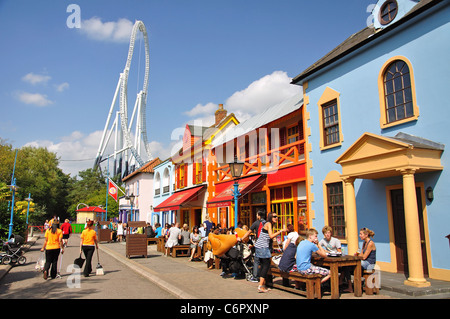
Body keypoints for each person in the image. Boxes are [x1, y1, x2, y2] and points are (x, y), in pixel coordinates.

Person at [254, 212, 287, 293]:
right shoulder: (268, 223)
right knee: (266, 265)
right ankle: (261, 286)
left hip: (260, 246)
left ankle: (263, 285)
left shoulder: (269, 224)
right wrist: (280, 231)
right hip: (263, 247)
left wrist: (273, 239)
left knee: (263, 265)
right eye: (274, 216)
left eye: (277, 216)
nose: (276, 218)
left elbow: (269, 236)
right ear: (270, 217)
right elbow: (271, 235)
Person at [241, 210, 266, 283]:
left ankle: (255, 277)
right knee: (264, 261)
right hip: (266, 243)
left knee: (257, 261)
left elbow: (249, 232)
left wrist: (242, 238)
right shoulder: (267, 223)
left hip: (259, 243)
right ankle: (263, 277)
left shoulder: (256, 223)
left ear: (258, 215)